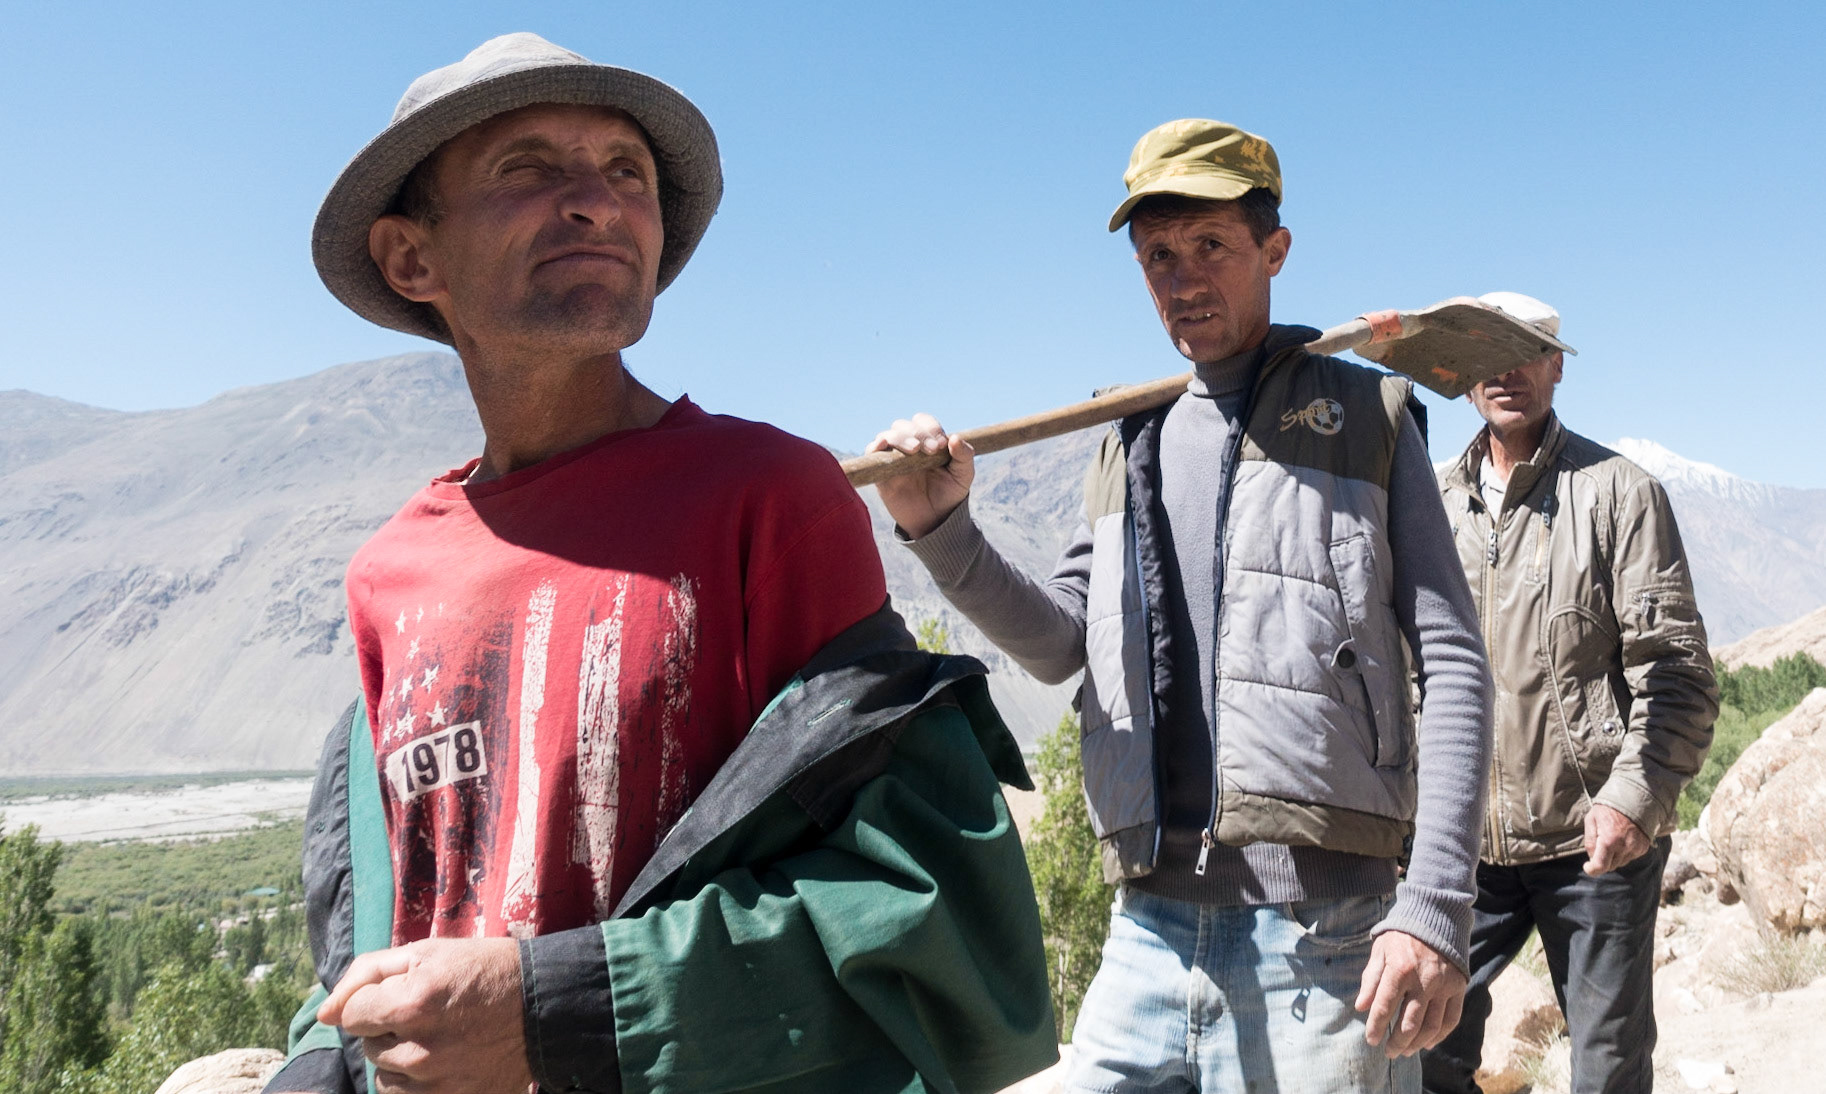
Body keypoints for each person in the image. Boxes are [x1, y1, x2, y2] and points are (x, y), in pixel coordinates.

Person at [263, 33, 1055, 1094]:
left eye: (625, 172)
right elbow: (393, 911)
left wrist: (560, 1008)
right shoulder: (389, 574)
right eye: (528, 168)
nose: (596, 200)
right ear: (415, 258)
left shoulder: (767, 501)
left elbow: (937, 913)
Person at [869, 119, 1494, 1092]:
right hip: (1146, 932)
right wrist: (940, 530)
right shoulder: (1131, 435)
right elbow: (1059, 643)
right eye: (1156, 254)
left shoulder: (1365, 419)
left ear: (1273, 251)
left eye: (1210, 245)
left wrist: (1435, 903)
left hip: (1324, 940)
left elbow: (1452, 663)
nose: (1181, 278)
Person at [1423, 293, 1718, 1094]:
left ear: (1557, 366)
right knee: (1422, 1055)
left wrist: (1631, 802)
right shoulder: (1429, 501)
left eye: (1528, 353)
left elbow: (1679, 672)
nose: (1508, 372)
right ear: (1463, 371)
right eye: (1489, 353)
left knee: (1607, 1068)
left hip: (1593, 846)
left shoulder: (1620, 492)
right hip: (1460, 851)